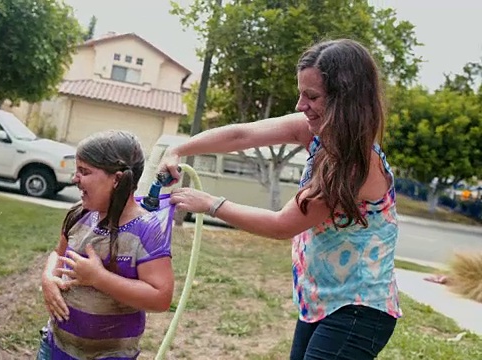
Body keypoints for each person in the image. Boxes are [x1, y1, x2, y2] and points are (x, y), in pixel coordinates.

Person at [159, 39, 402, 360]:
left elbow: (281, 225)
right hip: (323, 302)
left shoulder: (354, 164)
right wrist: (180, 149)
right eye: (301, 93)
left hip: (358, 311)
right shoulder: (315, 132)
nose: (301, 105)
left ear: (346, 100)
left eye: (312, 96)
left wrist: (211, 204)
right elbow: (242, 135)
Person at [38, 130, 175, 360]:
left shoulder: (146, 231)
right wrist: (48, 279)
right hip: (56, 348)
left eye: (85, 171)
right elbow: (57, 253)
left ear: (117, 179)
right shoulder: (78, 215)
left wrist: (99, 278)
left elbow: (161, 297)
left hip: (111, 355)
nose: (75, 178)